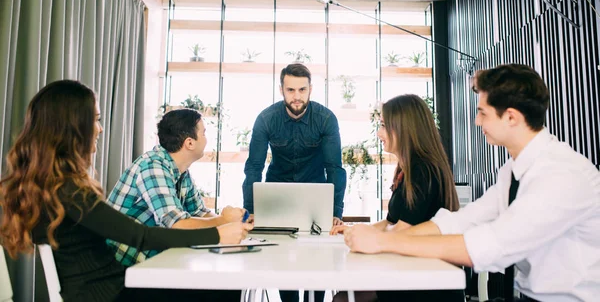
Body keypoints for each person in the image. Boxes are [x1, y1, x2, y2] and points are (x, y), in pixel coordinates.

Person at [343, 64, 600, 302]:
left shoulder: (560, 175)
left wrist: (384, 242)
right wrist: (384, 238)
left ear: (511, 117)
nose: (477, 122)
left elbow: (492, 246)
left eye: (482, 113)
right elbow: (458, 221)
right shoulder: (513, 171)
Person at [0, 80, 252, 302]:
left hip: (115, 287)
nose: (99, 129)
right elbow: (140, 236)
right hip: (110, 294)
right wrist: (217, 235)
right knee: (224, 287)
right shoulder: (69, 190)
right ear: (73, 127)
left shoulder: (54, 184)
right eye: (96, 120)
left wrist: (220, 228)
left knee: (221, 286)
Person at [330, 94, 463, 302]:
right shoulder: (408, 169)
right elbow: (392, 222)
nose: (379, 133)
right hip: (411, 270)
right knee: (345, 295)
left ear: (404, 128)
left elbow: (403, 230)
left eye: (383, 125)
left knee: (344, 298)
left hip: (427, 284)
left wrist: (366, 238)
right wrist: (353, 231)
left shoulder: (424, 171)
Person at [242, 63, 346, 302]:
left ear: (311, 89)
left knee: (319, 260)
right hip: (278, 194)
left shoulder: (326, 119)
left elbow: (335, 168)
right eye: (291, 90)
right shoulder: (266, 119)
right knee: (282, 259)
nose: (297, 96)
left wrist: (335, 212)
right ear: (281, 90)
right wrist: (252, 210)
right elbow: (254, 168)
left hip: (315, 194)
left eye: (302, 89)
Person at [107, 108, 246, 266]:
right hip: (119, 267)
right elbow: (177, 225)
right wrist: (223, 220)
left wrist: (236, 221)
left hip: (148, 261)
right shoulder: (153, 166)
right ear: (190, 143)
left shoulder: (181, 172)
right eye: (204, 133)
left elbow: (200, 213)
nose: (207, 140)